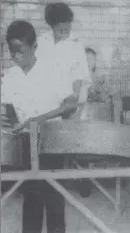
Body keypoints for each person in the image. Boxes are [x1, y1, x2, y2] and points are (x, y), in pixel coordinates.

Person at [1, 20, 81, 233]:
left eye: (21, 50)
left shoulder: (52, 70)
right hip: (27, 142)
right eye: (12, 51)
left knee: (54, 197)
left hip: (51, 141)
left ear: (34, 47)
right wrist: (16, 122)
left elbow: (71, 104)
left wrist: (42, 118)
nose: (16, 56)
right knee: (31, 196)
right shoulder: (10, 76)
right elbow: (8, 104)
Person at [36, 2, 91, 104]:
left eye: (68, 25)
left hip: (68, 101)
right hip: (45, 100)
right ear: (52, 25)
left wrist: (75, 97)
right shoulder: (41, 41)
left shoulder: (76, 44)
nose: (66, 29)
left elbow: (79, 75)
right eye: (60, 28)